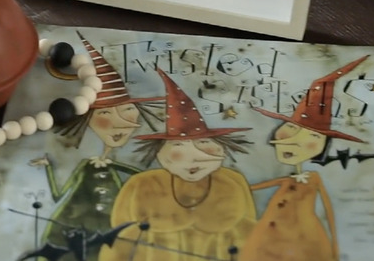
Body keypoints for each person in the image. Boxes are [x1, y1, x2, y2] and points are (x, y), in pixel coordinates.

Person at [27, 33, 164, 261]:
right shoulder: (86, 166)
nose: (120, 121)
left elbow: (143, 184)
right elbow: (60, 194)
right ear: (86, 118)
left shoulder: (127, 173)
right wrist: (48, 167)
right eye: (105, 113)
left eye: (127, 110)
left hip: (108, 235)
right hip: (67, 231)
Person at [99, 68, 256, 261]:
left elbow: (250, 235)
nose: (192, 158)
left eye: (203, 144)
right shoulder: (142, 185)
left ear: (221, 149)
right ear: (161, 153)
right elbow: (118, 236)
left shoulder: (232, 183)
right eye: (179, 146)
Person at [240, 56, 374, 261]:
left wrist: (334, 247)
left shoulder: (314, 179)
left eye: (313, 136)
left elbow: (328, 211)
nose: (295, 142)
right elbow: (254, 188)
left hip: (302, 239)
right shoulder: (288, 179)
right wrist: (235, 186)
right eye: (292, 129)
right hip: (269, 236)